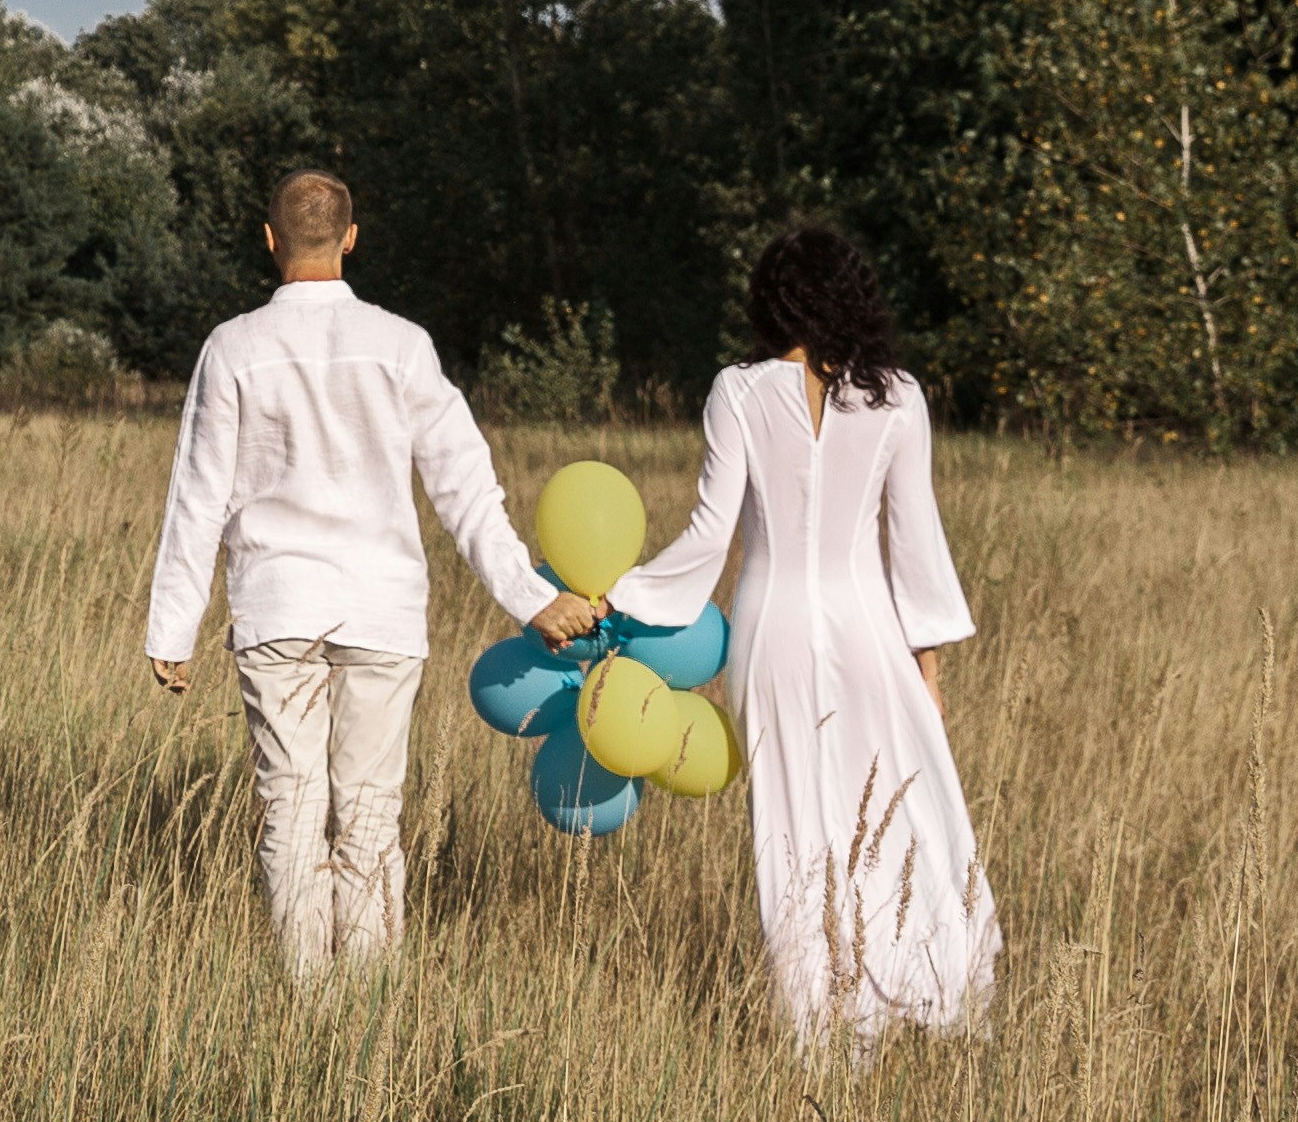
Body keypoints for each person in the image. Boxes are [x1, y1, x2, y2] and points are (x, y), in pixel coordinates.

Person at [139, 170, 594, 984]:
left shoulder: (233, 347)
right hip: (383, 613)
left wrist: (173, 626)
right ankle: (366, 1010)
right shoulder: (401, 345)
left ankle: (311, 998)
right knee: (371, 816)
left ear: (269, 238)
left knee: (292, 808)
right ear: (351, 238)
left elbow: (197, 495)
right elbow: (465, 486)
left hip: (278, 609)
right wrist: (532, 598)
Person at [602, 218, 994, 1051]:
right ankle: (919, 991)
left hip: (769, 627)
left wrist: (622, 596)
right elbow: (915, 547)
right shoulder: (899, 397)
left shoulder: (735, 391)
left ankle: (822, 1031)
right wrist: (930, 673)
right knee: (905, 811)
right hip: (869, 631)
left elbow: (709, 537)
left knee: (791, 827)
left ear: (769, 301)